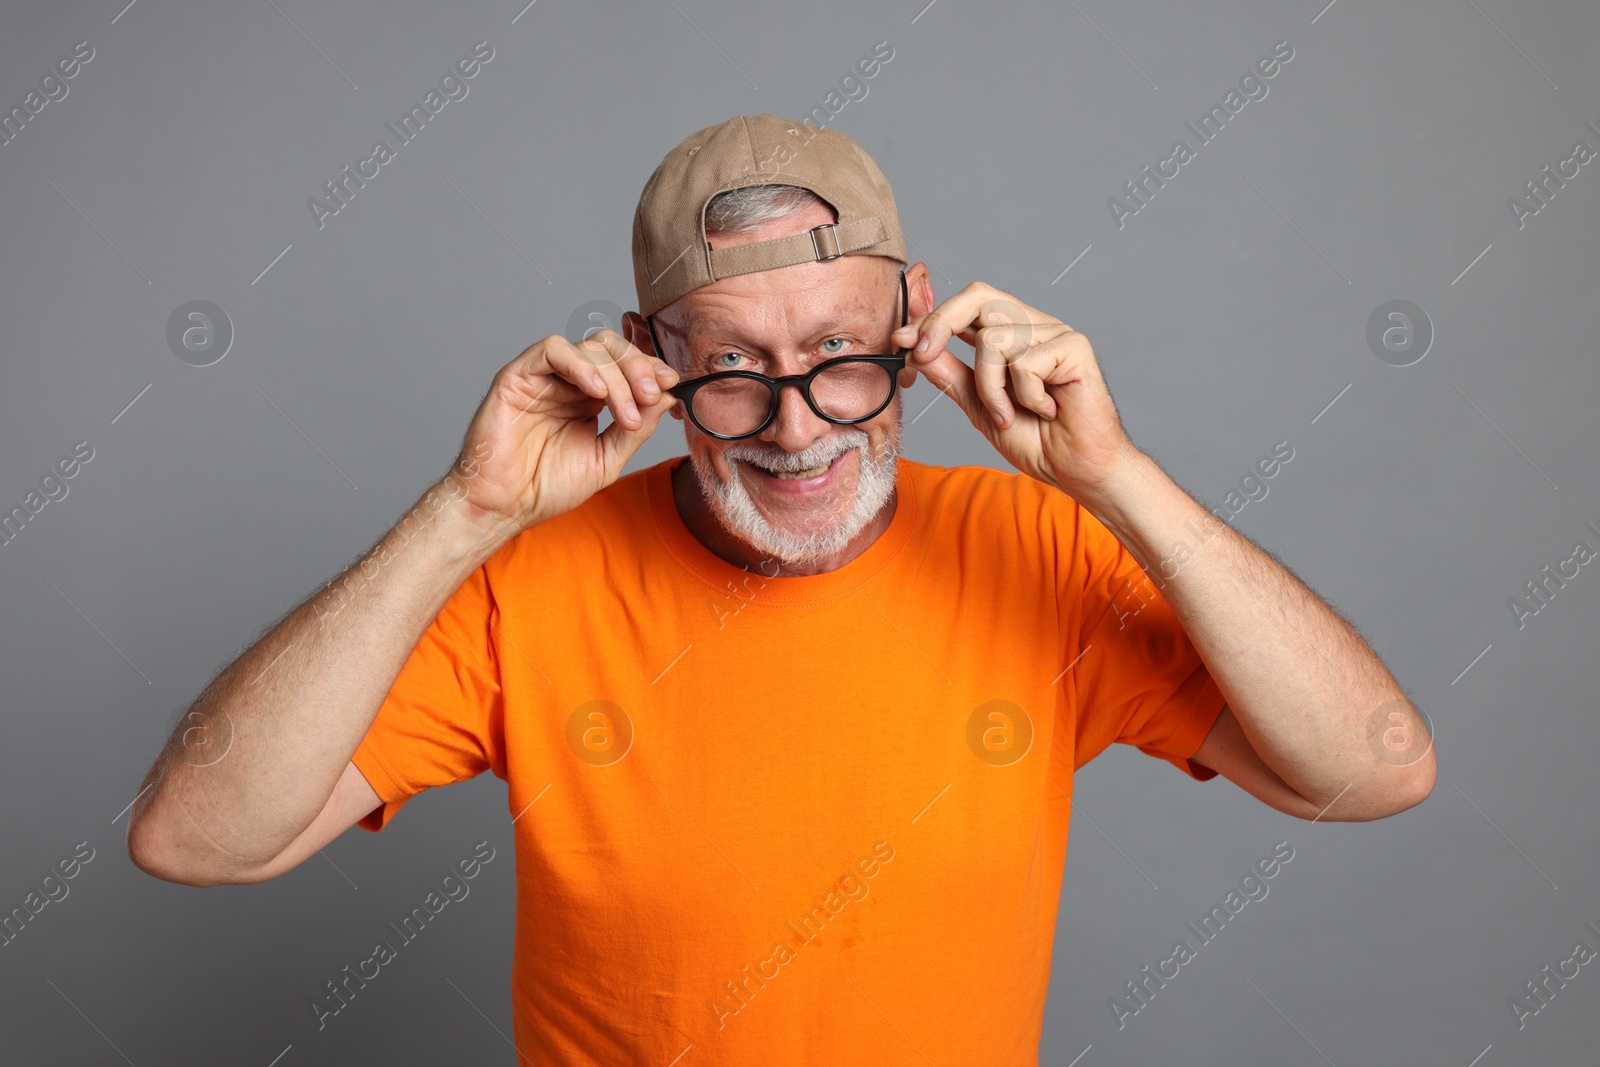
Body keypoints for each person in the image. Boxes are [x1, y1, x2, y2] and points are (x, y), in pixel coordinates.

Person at [127, 113, 1434, 1065]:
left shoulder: (1041, 547)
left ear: (918, 323)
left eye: (839, 356)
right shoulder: (525, 578)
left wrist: (1119, 480)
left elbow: (1371, 770)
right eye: (733, 368)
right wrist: (461, 513)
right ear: (648, 360)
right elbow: (195, 839)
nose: (797, 430)